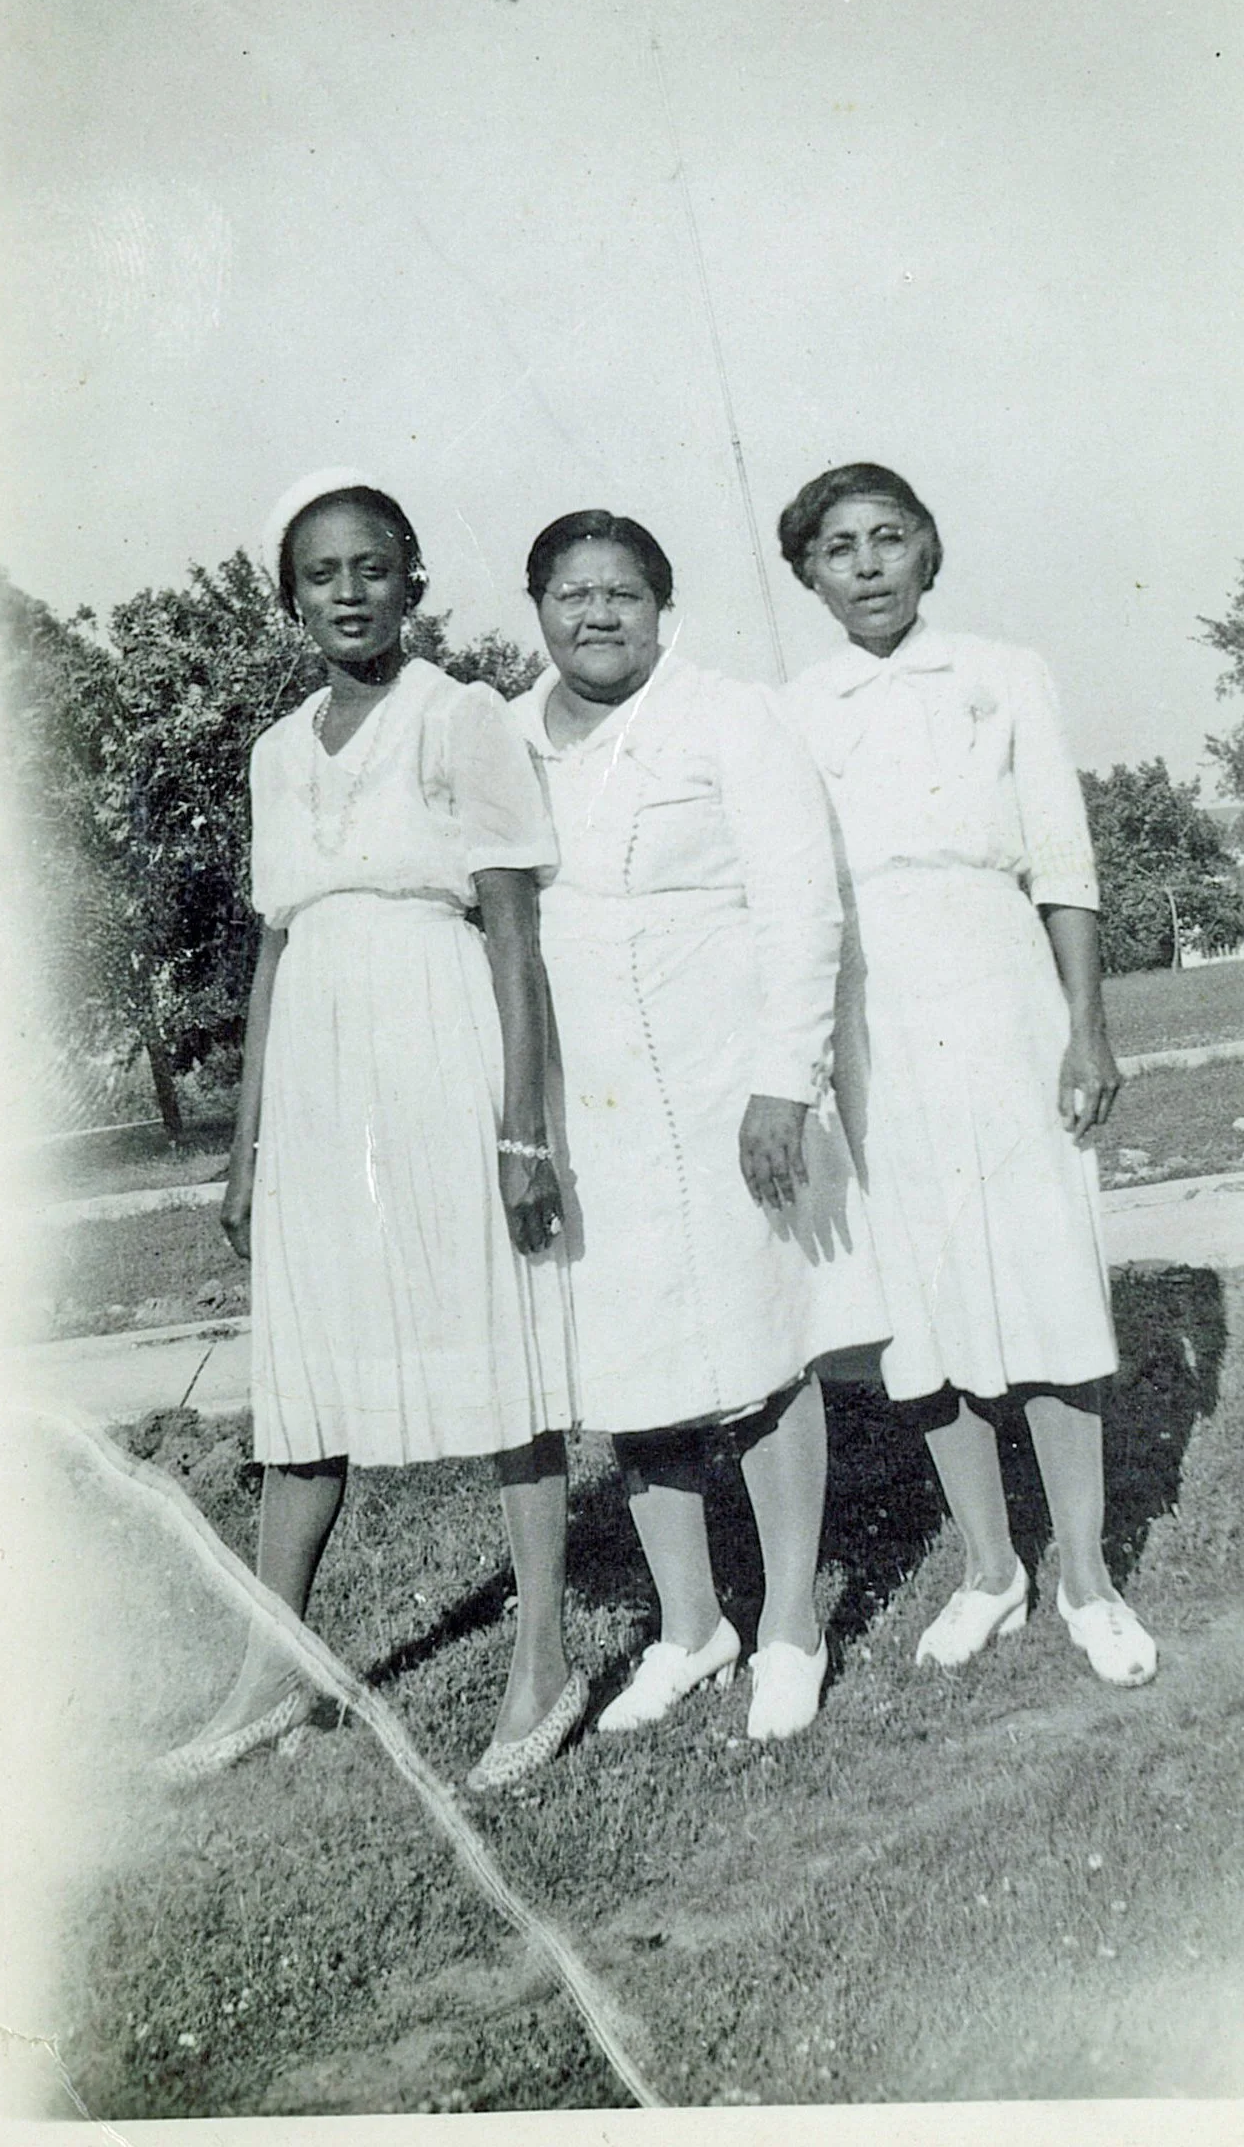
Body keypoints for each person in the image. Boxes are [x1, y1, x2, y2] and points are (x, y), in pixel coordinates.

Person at [159, 470, 585, 1793]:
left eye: (370, 568)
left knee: (498, 1343)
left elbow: (511, 925)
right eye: (320, 575)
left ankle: (544, 1663)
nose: (347, 592)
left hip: (440, 1040)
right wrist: (250, 1147)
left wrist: (524, 1129)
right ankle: (278, 1663)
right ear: (292, 601)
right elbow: (279, 950)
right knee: (306, 1372)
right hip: (319, 1075)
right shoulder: (276, 752)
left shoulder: (456, 716)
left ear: (409, 583)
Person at [510, 510, 888, 1743]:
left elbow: (802, 905)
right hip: (593, 1101)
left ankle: (789, 1625)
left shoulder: (729, 716)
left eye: (624, 592)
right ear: (539, 608)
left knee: (765, 1339)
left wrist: (786, 1080)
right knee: (634, 1360)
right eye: (572, 593)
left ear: (662, 607)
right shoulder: (509, 739)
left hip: (731, 1079)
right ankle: (689, 1626)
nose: (598, 614)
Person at [778, 462, 1156, 1687]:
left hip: (999, 988)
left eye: (891, 538)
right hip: (870, 1014)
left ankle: (1085, 1576)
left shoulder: (1002, 675)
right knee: (923, 1292)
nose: (869, 563)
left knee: (1042, 1268)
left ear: (929, 553)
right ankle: (991, 1568)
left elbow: (1062, 858)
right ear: (808, 574)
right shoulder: (795, 709)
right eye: (839, 547)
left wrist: (1084, 1027)